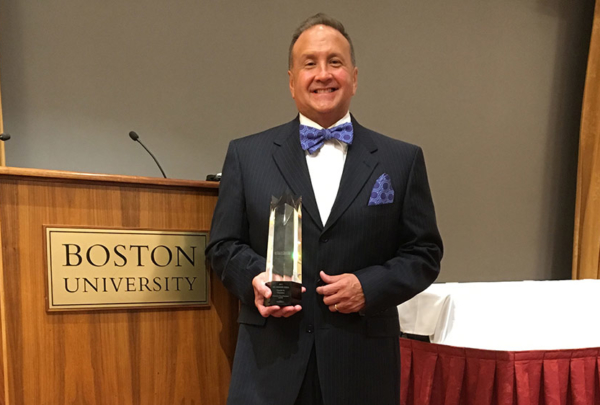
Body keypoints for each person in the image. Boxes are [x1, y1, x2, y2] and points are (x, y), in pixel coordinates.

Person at [206, 13, 443, 405]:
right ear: (291, 80)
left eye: (334, 62)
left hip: (361, 367)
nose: (323, 74)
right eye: (309, 63)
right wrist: (255, 280)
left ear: (354, 75)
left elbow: (424, 253)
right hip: (271, 367)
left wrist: (368, 287)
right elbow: (222, 245)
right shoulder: (247, 155)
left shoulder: (401, 160)